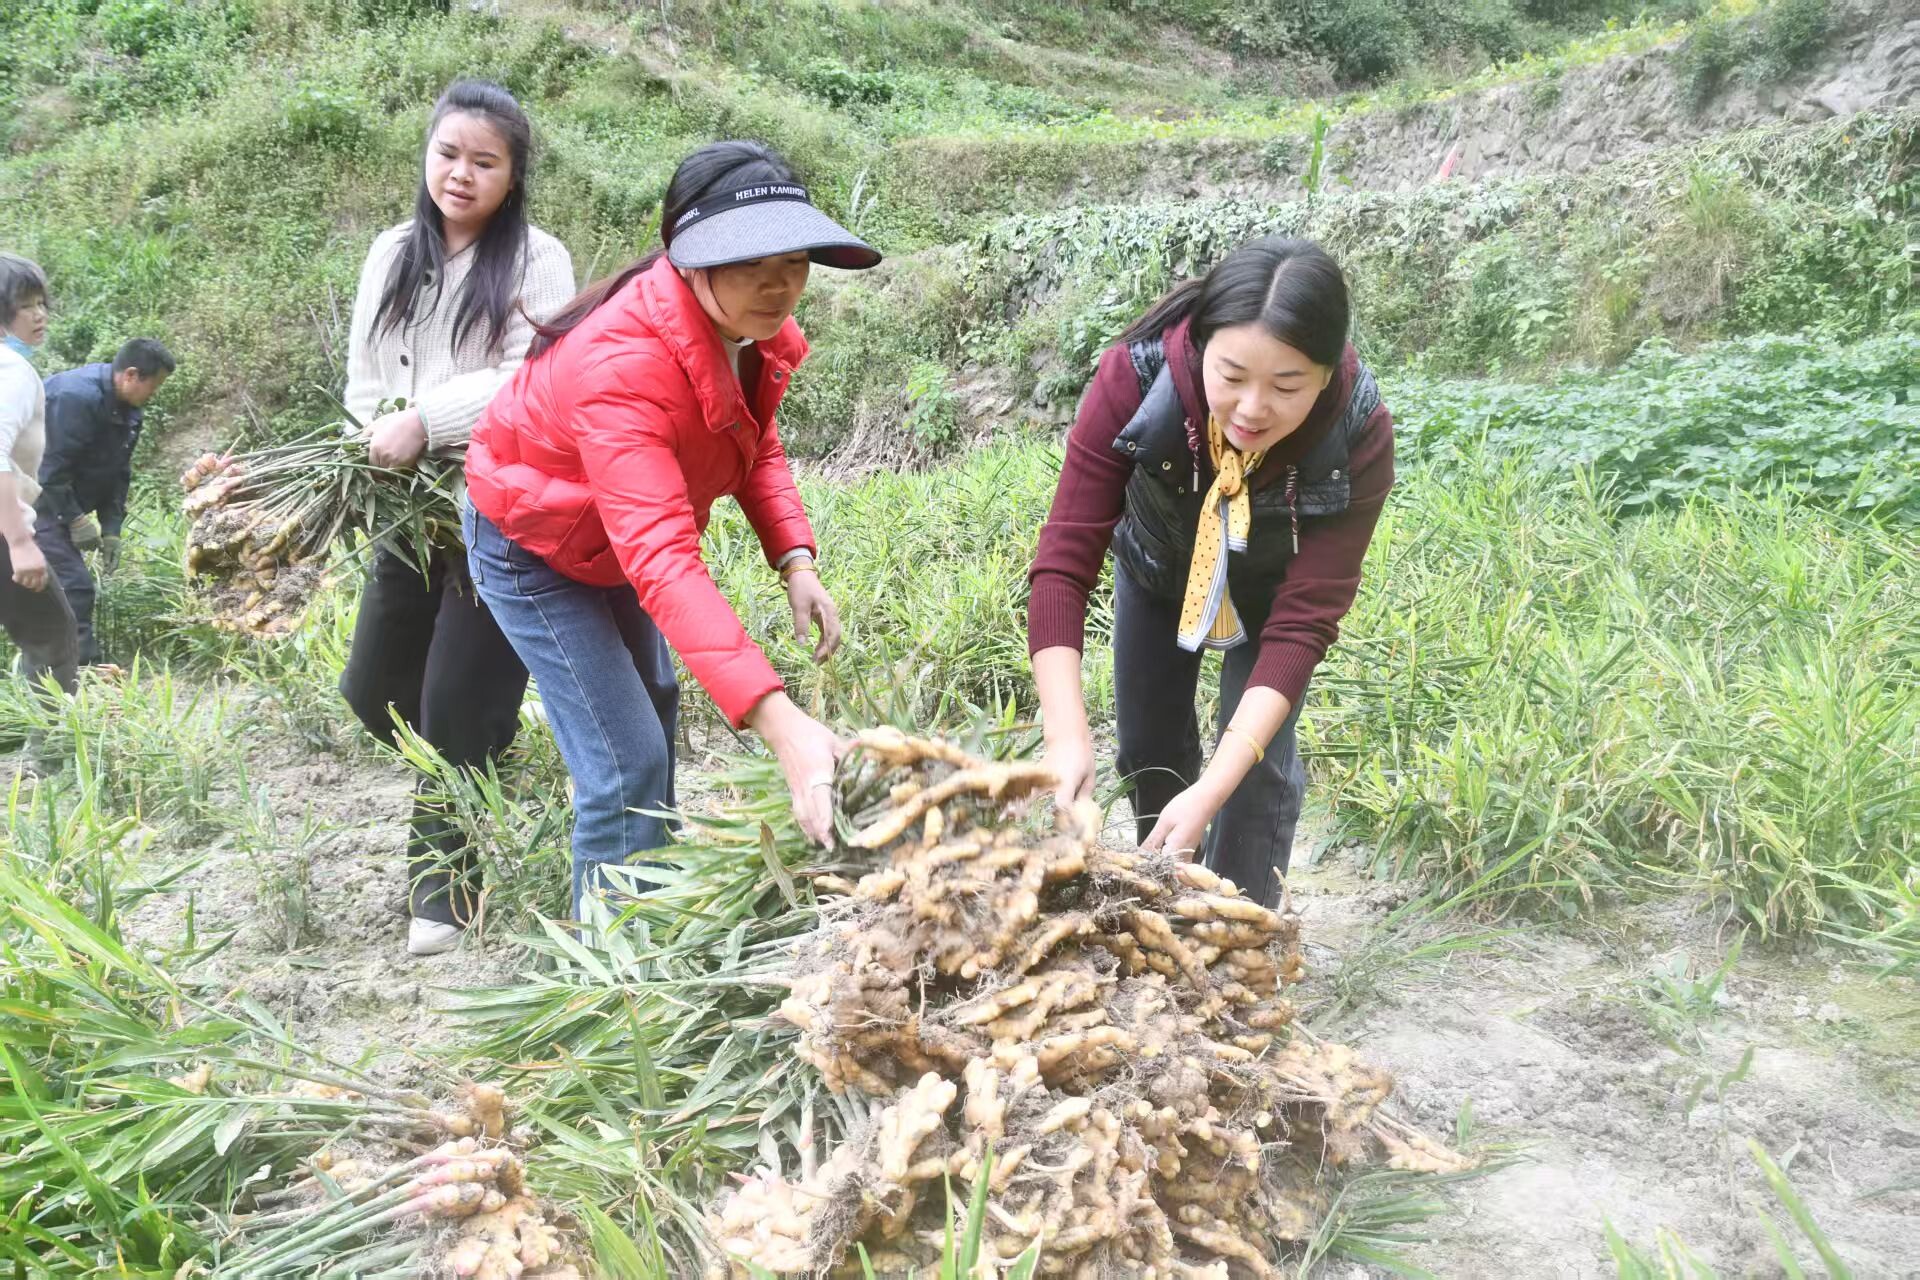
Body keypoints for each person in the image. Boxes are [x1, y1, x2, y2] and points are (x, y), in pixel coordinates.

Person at [464, 140, 879, 918]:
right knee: (624, 760)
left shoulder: (756, 336)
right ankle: (614, 983)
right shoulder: (620, 367)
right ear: (690, 263)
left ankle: (646, 909)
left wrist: (794, 558)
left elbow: (751, 444)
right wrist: (785, 726)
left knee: (653, 706)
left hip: (611, 532)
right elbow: (661, 560)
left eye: (794, 260)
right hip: (533, 546)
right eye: (750, 261)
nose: (777, 283)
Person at [1026, 236, 1395, 907]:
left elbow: (1303, 626)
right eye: (1231, 377)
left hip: (1272, 591)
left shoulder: (1358, 431)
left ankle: (1240, 931)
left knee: (1253, 774)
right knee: (1147, 749)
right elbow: (1063, 562)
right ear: (1200, 346)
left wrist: (1215, 788)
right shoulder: (1134, 377)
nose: (1253, 408)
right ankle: (1161, 902)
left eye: (1287, 386)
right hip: (1159, 566)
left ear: (1327, 371)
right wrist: (1065, 736)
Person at [335, 80, 576, 956]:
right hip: (406, 508)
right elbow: (366, 380)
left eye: (484, 161)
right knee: (370, 695)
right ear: (425, 156)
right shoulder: (391, 252)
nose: (461, 175)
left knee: (449, 704)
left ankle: (443, 901)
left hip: (497, 507)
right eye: (447, 154)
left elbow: (530, 377)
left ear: (513, 177)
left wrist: (426, 422)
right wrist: (368, 436)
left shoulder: (538, 259)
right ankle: (483, 752)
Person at [36, 338, 176, 665]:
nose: (154, 394)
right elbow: (48, 470)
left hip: (56, 503)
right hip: (30, 502)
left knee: (55, 590)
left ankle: (54, 672)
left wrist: (112, 528)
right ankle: (80, 677)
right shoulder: (74, 398)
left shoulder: (129, 411)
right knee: (74, 587)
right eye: (154, 386)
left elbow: (117, 472)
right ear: (131, 375)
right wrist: (76, 520)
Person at [0, 253, 79, 751]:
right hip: (4, 533)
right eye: (24, 305)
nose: (39, 315)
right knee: (53, 635)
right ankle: (48, 760)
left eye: (41, 303)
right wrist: (21, 542)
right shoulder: (12, 372)